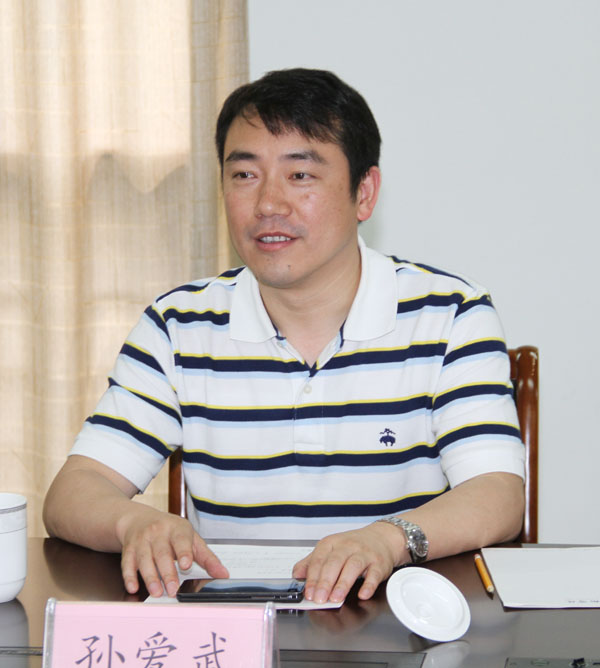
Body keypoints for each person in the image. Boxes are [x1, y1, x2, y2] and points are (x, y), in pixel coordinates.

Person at [43, 68, 524, 605]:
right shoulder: (179, 326)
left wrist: (389, 540)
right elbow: (72, 494)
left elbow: (498, 494)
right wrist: (132, 523)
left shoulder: (451, 315)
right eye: (244, 174)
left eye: (300, 175)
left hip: (396, 620)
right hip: (234, 623)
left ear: (364, 193)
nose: (268, 203)